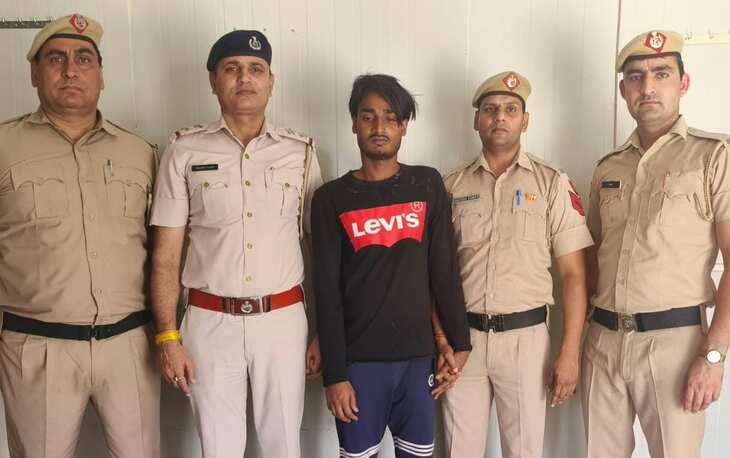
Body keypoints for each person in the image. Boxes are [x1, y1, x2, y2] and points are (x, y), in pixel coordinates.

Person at [148, 29, 322, 458]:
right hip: (209, 323)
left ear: (271, 82)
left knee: (284, 445)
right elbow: (166, 256)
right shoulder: (184, 150)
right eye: (232, 69)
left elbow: (318, 249)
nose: (245, 78)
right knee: (218, 448)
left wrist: (322, 332)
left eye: (256, 69)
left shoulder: (300, 152)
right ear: (213, 80)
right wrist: (168, 336)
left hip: (282, 321)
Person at [0, 14, 160, 457]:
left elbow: (165, 253)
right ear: (34, 74)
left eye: (84, 59)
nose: (71, 70)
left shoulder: (140, 153)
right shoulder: (4, 147)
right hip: (37, 349)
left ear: (101, 76)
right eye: (56, 59)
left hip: (130, 345)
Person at [582, 30, 730, 458]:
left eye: (661, 73)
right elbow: (592, 256)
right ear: (623, 89)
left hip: (675, 345)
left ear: (684, 83)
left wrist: (714, 356)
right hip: (603, 340)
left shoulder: (714, 156)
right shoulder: (607, 168)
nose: (647, 86)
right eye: (636, 76)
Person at [312, 73, 471, 458]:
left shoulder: (426, 184)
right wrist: (335, 375)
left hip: (418, 363)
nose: (379, 127)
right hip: (358, 365)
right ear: (354, 123)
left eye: (390, 117)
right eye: (368, 117)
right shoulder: (330, 198)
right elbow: (327, 292)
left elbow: (443, 271)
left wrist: (460, 341)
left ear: (404, 126)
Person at [435, 71, 593, 458]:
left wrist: (569, 352)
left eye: (510, 109)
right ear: (476, 120)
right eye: (490, 110)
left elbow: (574, 275)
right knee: (458, 450)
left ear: (526, 120)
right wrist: (441, 341)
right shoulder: (451, 186)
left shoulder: (551, 182)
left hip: (526, 341)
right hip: (463, 340)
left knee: (524, 451)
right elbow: (434, 274)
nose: (500, 118)